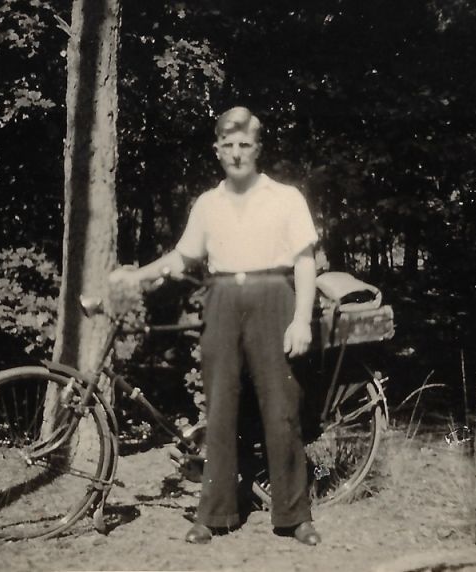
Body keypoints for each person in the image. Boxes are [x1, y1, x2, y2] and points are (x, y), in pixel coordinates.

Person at [109, 107, 321, 546]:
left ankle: (294, 515)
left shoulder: (285, 198)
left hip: (274, 299)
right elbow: (182, 257)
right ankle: (215, 514)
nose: (237, 153)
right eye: (229, 145)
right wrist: (137, 276)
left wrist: (301, 319)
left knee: (281, 408)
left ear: (257, 149)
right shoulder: (208, 203)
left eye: (245, 144)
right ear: (217, 150)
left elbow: (305, 262)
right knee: (220, 408)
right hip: (222, 301)